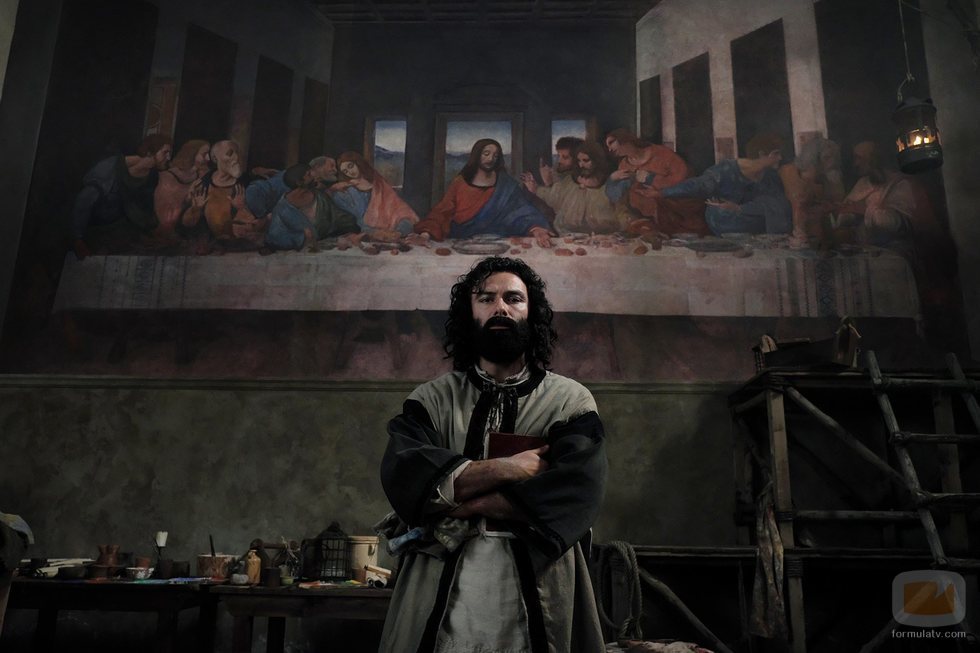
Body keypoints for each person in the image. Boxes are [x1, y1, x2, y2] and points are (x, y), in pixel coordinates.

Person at [378, 256, 607, 653]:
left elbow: (577, 489)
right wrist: (509, 469)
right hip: (442, 581)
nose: (500, 307)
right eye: (486, 298)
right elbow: (405, 475)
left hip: (539, 585)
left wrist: (464, 502)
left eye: (513, 298)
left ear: (531, 312)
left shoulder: (570, 402)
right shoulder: (431, 399)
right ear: (470, 313)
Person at [413, 139, 554, 248]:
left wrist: (537, 229)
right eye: (486, 154)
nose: (491, 159)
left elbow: (522, 210)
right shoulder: (460, 182)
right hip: (461, 244)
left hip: (502, 245)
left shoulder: (505, 184)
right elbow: (442, 212)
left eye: (495, 155)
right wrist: (425, 235)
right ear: (477, 155)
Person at [655, 132, 792, 236]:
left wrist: (740, 208)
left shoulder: (770, 177)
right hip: (727, 225)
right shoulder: (726, 170)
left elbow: (779, 205)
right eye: (776, 154)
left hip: (756, 227)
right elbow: (699, 185)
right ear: (761, 154)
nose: (780, 158)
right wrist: (664, 192)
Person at [69, 134, 173, 258]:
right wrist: (78, 239)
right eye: (165, 152)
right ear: (150, 152)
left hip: (124, 232)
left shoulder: (151, 177)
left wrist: (155, 230)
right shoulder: (110, 167)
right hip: (95, 231)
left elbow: (141, 210)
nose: (168, 158)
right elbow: (84, 201)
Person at [603, 128, 708, 237]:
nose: (610, 149)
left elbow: (683, 180)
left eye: (611, 143)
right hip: (647, 220)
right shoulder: (624, 165)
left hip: (678, 214)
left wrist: (651, 179)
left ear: (624, 139)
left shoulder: (661, 153)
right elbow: (617, 196)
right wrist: (612, 179)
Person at [521, 141, 624, 234]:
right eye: (579, 161)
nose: (581, 165)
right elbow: (554, 197)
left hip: (604, 239)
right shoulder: (570, 181)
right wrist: (535, 189)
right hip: (569, 236)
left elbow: (622, 214)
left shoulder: (609, 184)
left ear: (597, 161)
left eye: (586, 160)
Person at [181, 140, 268, 250]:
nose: (236, 158)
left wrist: (242, 208)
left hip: (242, 250)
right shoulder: (203, 185)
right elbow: (186, 225)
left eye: (237, 153)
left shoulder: (249, 184)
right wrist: (196, 209)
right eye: (230, 154)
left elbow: (262, 223)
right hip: (211, 249)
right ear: (215, 158)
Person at [264, 163, 359, 251]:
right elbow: (274, 237)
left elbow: (338, 217)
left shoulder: (320, 197)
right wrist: (302, 237)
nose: (315, 176)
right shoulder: (282, 208)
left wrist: (351, 230)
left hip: (328, 249)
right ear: (299, 182)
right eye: (309, 174)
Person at [328, 151, 419, 236]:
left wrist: (398, 232)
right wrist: (376, 233)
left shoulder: (379, 184)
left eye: (350, 166)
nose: (350, 172)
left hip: (392, 234)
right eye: (345, 171)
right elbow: (356, 222)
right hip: (367, 235)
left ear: (358, 163)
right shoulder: (345, 193)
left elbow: (402, 211)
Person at [778, 136, 844, 248]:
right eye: (827, 157)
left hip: (821, 235)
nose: (831, 162)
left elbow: (838, 204)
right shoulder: (789, 171)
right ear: (813, 157)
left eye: (834, 157)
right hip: (790, 231)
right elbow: (799, 200)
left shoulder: (831, 176)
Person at [153, 139, 209, 238]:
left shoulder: (201, 177)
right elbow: (166, 216)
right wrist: (188, 198)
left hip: (188, 229)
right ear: (192, 154)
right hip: (168, 231)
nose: (208, 158)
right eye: (204, 154)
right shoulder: (168, 176)